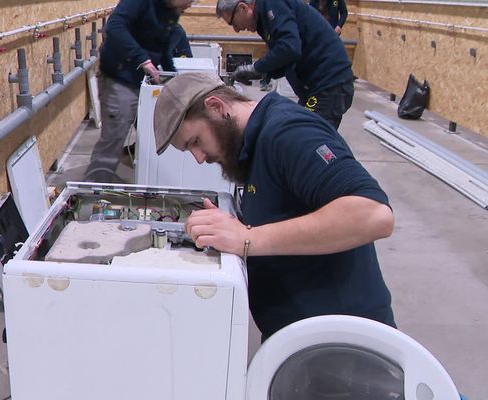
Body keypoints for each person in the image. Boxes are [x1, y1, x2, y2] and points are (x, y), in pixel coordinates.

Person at [153, 72, 396, 340]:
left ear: (216, 107)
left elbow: (373, 215)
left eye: (195, 142)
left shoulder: (289, 133)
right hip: (303, 341)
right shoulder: (251, 145)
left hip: (344, 345)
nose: (199, 158)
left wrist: (247, 238)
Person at [84, 0, 194, 182]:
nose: (190, 5)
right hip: (119, 78)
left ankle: (109, 180)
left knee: (143, 133)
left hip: (139, 80)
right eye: (189, 0)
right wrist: (142, 59)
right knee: (113, 140)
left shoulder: (171, 10)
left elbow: (163, 46)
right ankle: (93, 190)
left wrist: (172, 76)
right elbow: (114, 26)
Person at [216, 0, 354, 130]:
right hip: (315, 87)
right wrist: (262, 72)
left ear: (243, 8)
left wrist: (256, 68)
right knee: (302, 134)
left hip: (329, 84)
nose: (236, 30)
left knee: (307, 139)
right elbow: (286, 58)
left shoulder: (273, 3)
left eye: (233, 23)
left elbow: (289, 48)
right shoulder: (264, 19)